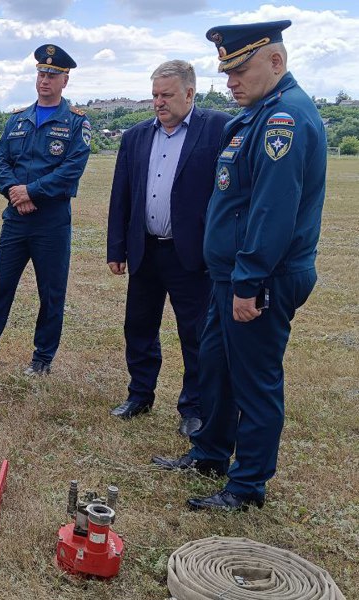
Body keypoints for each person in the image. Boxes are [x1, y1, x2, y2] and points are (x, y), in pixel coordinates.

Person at [153, 20, 326, 511]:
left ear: (276, 62)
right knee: (217, 366)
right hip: (229, 276)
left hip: (260, 277)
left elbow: (271, 212)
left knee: (255, 380)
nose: (230, 81)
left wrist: (248, 282)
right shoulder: (254, 116)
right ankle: (210, 452)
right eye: (226, 71)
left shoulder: (283, 120)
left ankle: (247, 486)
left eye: (240, 69)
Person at [106, 60, 231, 437]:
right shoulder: (136, 137)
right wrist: (117, 248)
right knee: (139, 327)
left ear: (190, 94)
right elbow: (121, 196)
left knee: (195, 334)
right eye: (155, 95)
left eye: (167, 95)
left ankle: (193, 407)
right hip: (145, 249)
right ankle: (140, 394)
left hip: (190, 254)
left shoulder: (219, 128)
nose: (159, 103)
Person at [0, 44, 91, 375]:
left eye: (52, 75)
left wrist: (31, 190)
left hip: (51, 221)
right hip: (16, 219)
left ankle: (42, 358)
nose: (45, 79)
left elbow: (72, 168)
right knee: (0, 287)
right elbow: (1, 161)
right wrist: (14, 193)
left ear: (65, 81)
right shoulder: (17, 119)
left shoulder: (76, 123)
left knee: (51, 292)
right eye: (41, 73)